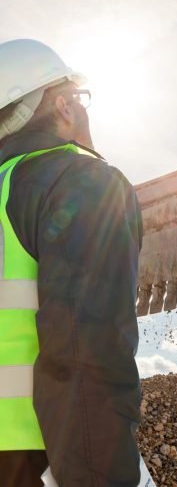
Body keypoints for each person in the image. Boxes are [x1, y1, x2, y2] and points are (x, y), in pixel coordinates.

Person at [0, 39, 142, 486]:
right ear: (63, 105)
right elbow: (86, 354)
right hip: (37, 457)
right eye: (80, 100)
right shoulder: (79, 182)